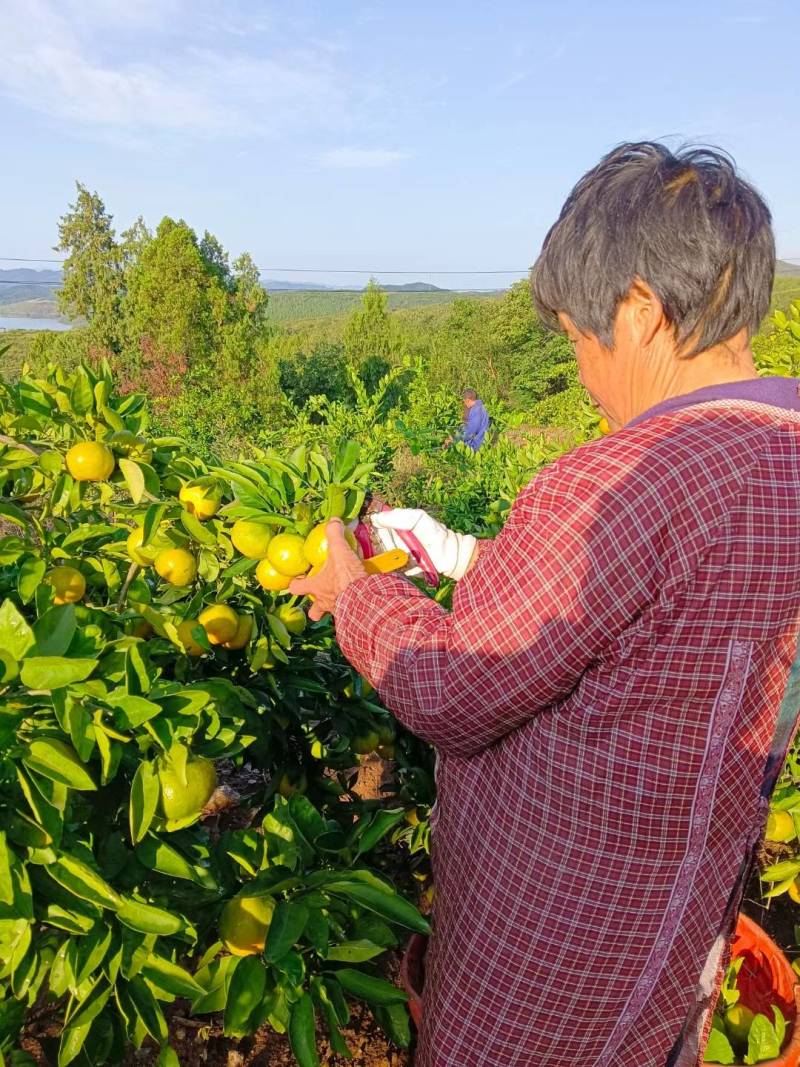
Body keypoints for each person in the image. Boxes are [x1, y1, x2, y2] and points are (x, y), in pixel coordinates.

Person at [291, 143, 800, 1067]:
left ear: (640, 311)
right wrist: (473, 558)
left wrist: (356, 594)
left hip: (554, 957)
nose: (583, 367)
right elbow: (656, 622)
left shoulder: (627, 478)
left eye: (578, 334)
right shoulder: (785, 447)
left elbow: (452, 689)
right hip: (673, 943)